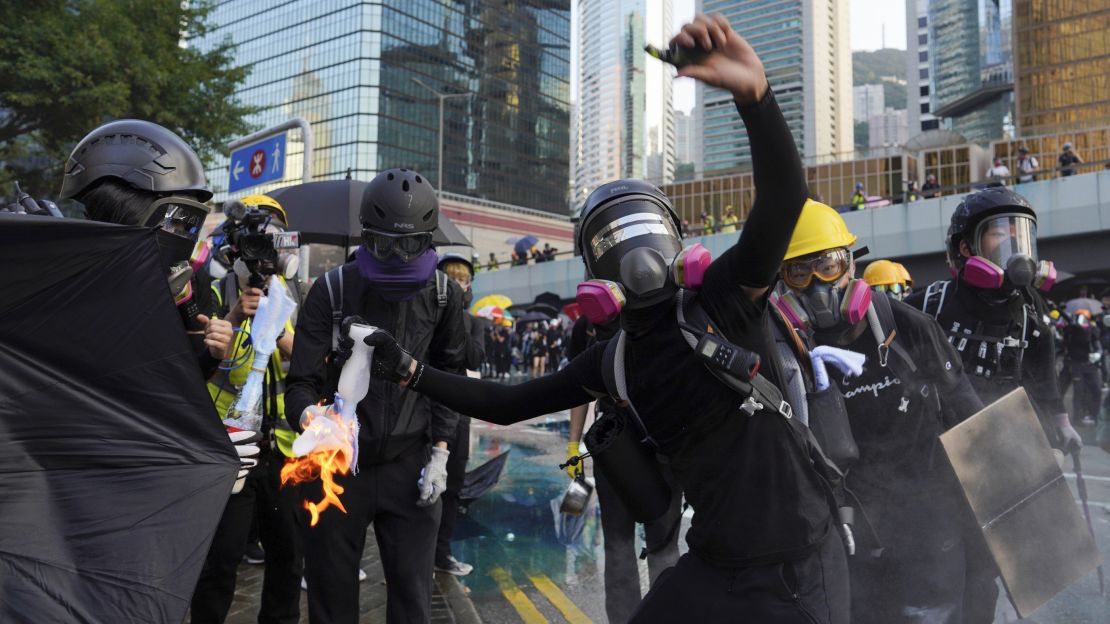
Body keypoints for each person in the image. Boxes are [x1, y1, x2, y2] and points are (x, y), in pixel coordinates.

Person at [356, 14, 851, 622]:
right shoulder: (613, 358)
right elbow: (506, 403)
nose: (635, 256)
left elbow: (783, 201)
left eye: (643, 229)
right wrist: (408, 369)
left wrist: (757, 97)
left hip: (802, 564)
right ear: (593, 273)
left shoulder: (723, 299)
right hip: (717, 563)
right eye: (612, 240)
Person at [775, 200, 985, 624]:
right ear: (784, 284)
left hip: (927, 515)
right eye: (799, 271)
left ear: (851, 266)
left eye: (828, 265)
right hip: (849, 527)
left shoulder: (910, 328)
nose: (816, 285)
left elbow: (971, 416)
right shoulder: (787, 355)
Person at [284, 168, 468, 624]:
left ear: (429, 241)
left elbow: (449, 379)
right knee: (330, 599)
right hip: (340, 464)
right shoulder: (332, 289)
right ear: (366, 236)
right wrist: (312, 418)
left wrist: (441, 454)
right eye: (387, 244)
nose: (400, 258)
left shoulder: (443, 295)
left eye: (412, 245)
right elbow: (300, 382)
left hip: (411, 462)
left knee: (412, 601)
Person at [905, 186, 1080, 623]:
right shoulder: (930, 304)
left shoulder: (1031, 312)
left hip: (1000, 458)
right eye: (997, 232)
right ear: (965, 247)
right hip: (935, 458)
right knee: (939, 571)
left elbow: (1044, 379)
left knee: (986, 575)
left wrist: (1061, 422)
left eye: (1019, 232)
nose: (1012, 243)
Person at [58, 119, 254, 489]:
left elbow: (167, 384)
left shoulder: (177, 285)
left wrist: (212, 354)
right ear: (121, 210)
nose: (182, 239)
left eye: (190, 226)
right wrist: (189, 452)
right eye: (175, 221)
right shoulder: (63, 290)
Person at [191, 194, 303, 624]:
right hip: (231, 450)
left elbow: (317, 371)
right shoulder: (214, 293)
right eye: (254, 241)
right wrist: (236, 318)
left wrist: (286, 339)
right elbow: (195, 370)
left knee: (288, 559)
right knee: (219, 561)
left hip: (286, 451)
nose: (264, 252)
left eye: (272, 240)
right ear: (234, 246)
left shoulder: (301, 296)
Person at [565, 316, 683, 623]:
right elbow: (580, 389)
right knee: (624, 545)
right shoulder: (591, 323)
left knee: (659, 545)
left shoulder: (673, 311)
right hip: (619, 444)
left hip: (657, 443)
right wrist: (573, 444)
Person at [433, 252, 487, 577]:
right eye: (450, 278)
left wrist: (455, 318)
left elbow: (475, 358)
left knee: (452, 487)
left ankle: (442, 553)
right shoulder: (424, 316)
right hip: (423, 410)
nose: (457, 284)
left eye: (463, 280)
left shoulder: (473, 322)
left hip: (459, 412)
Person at [1063, 309, 1102, 426]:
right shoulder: (1072, 330)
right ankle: (1077, 419)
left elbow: (1097, 343)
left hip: (1090, 364)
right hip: (1076, 364)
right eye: (1080, 317)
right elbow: (1071, 329)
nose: (1082, 320)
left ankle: (1094, 415)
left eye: (1084, 318)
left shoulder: (1092, 330)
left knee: (1096, 390)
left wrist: (1098, 354)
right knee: (1079, 391)